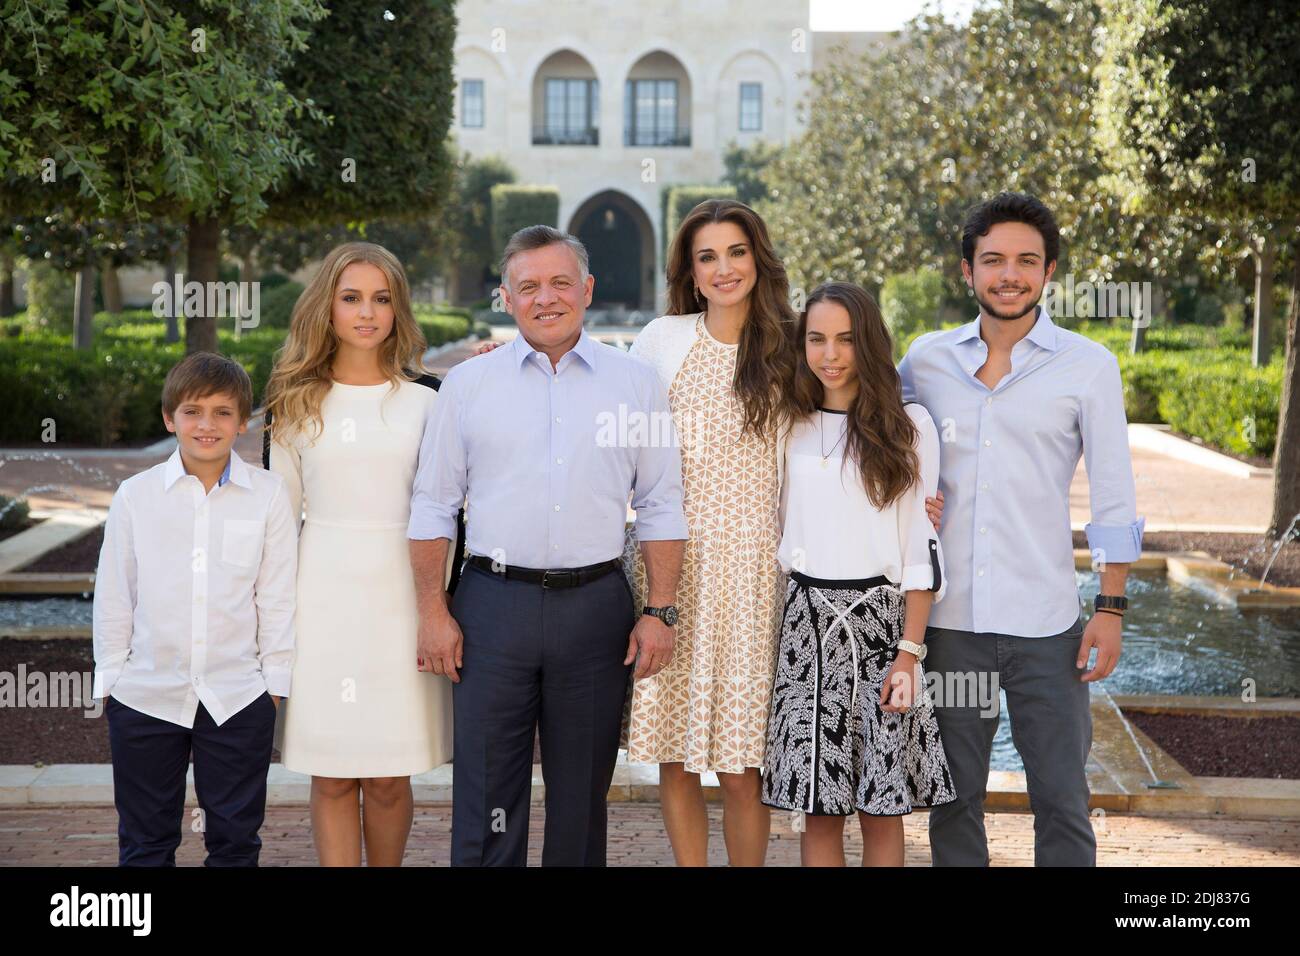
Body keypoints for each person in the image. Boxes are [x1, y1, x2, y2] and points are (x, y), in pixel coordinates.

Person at [408, 225, 688, 867]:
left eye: (560, 282)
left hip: (595, 609)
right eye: (528, 286)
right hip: (489, 607)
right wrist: (432, 611)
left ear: (586, 290)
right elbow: (433, 505)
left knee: (582, 799)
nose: (546, 298)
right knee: (484, 796)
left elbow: (660, 503)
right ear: (506, 298)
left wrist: (661, 609)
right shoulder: (468, 386)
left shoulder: (635, 383)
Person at [898, 192, 1145, 867]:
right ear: (967, 271)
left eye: (1026, 261)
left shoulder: (1087, 365)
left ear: (1049, 270)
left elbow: (1115, 495)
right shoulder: (924, 361)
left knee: (1062, 800)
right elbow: (876, 449)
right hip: (951, 629)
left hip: (1048, 628)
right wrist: (903, 501)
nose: (1010, 274)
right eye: (994, 260)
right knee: (953, 802)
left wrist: (1112, 607)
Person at [263, 242, 459, 867]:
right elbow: (276, 528)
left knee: (388, 772)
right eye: (351, 298)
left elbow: (449, 513)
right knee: (331, 772)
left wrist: (440, 607)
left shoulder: (430, 400)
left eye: (381, 299)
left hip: (406, 601)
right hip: (320, 601)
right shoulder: (292, 402)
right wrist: (273, 634)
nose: (367, 313)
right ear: (327, 307)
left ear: (399, 310)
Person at [762, 281, 955, 866]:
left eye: (846, 339)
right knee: (816, 811)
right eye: (816, 339)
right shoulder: (784, 420)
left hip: (880, 630)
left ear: (868, 342)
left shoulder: (908, 425)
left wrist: (909, 655)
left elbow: (919, 555)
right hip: (805, 630)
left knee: (880, 809)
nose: (830, 354)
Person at [93, 352, 297, 866]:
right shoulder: (136, 496)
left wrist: (274, 686)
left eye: (223, 412)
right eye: (193, 411)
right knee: (146, 843)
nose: (207, 425)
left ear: (243, 421)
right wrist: (113, 679)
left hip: (238, 697)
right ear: (170, 419)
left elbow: (276, 597)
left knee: (234, 842)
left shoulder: (269, 496)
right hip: (145, 695)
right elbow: (116, 592)